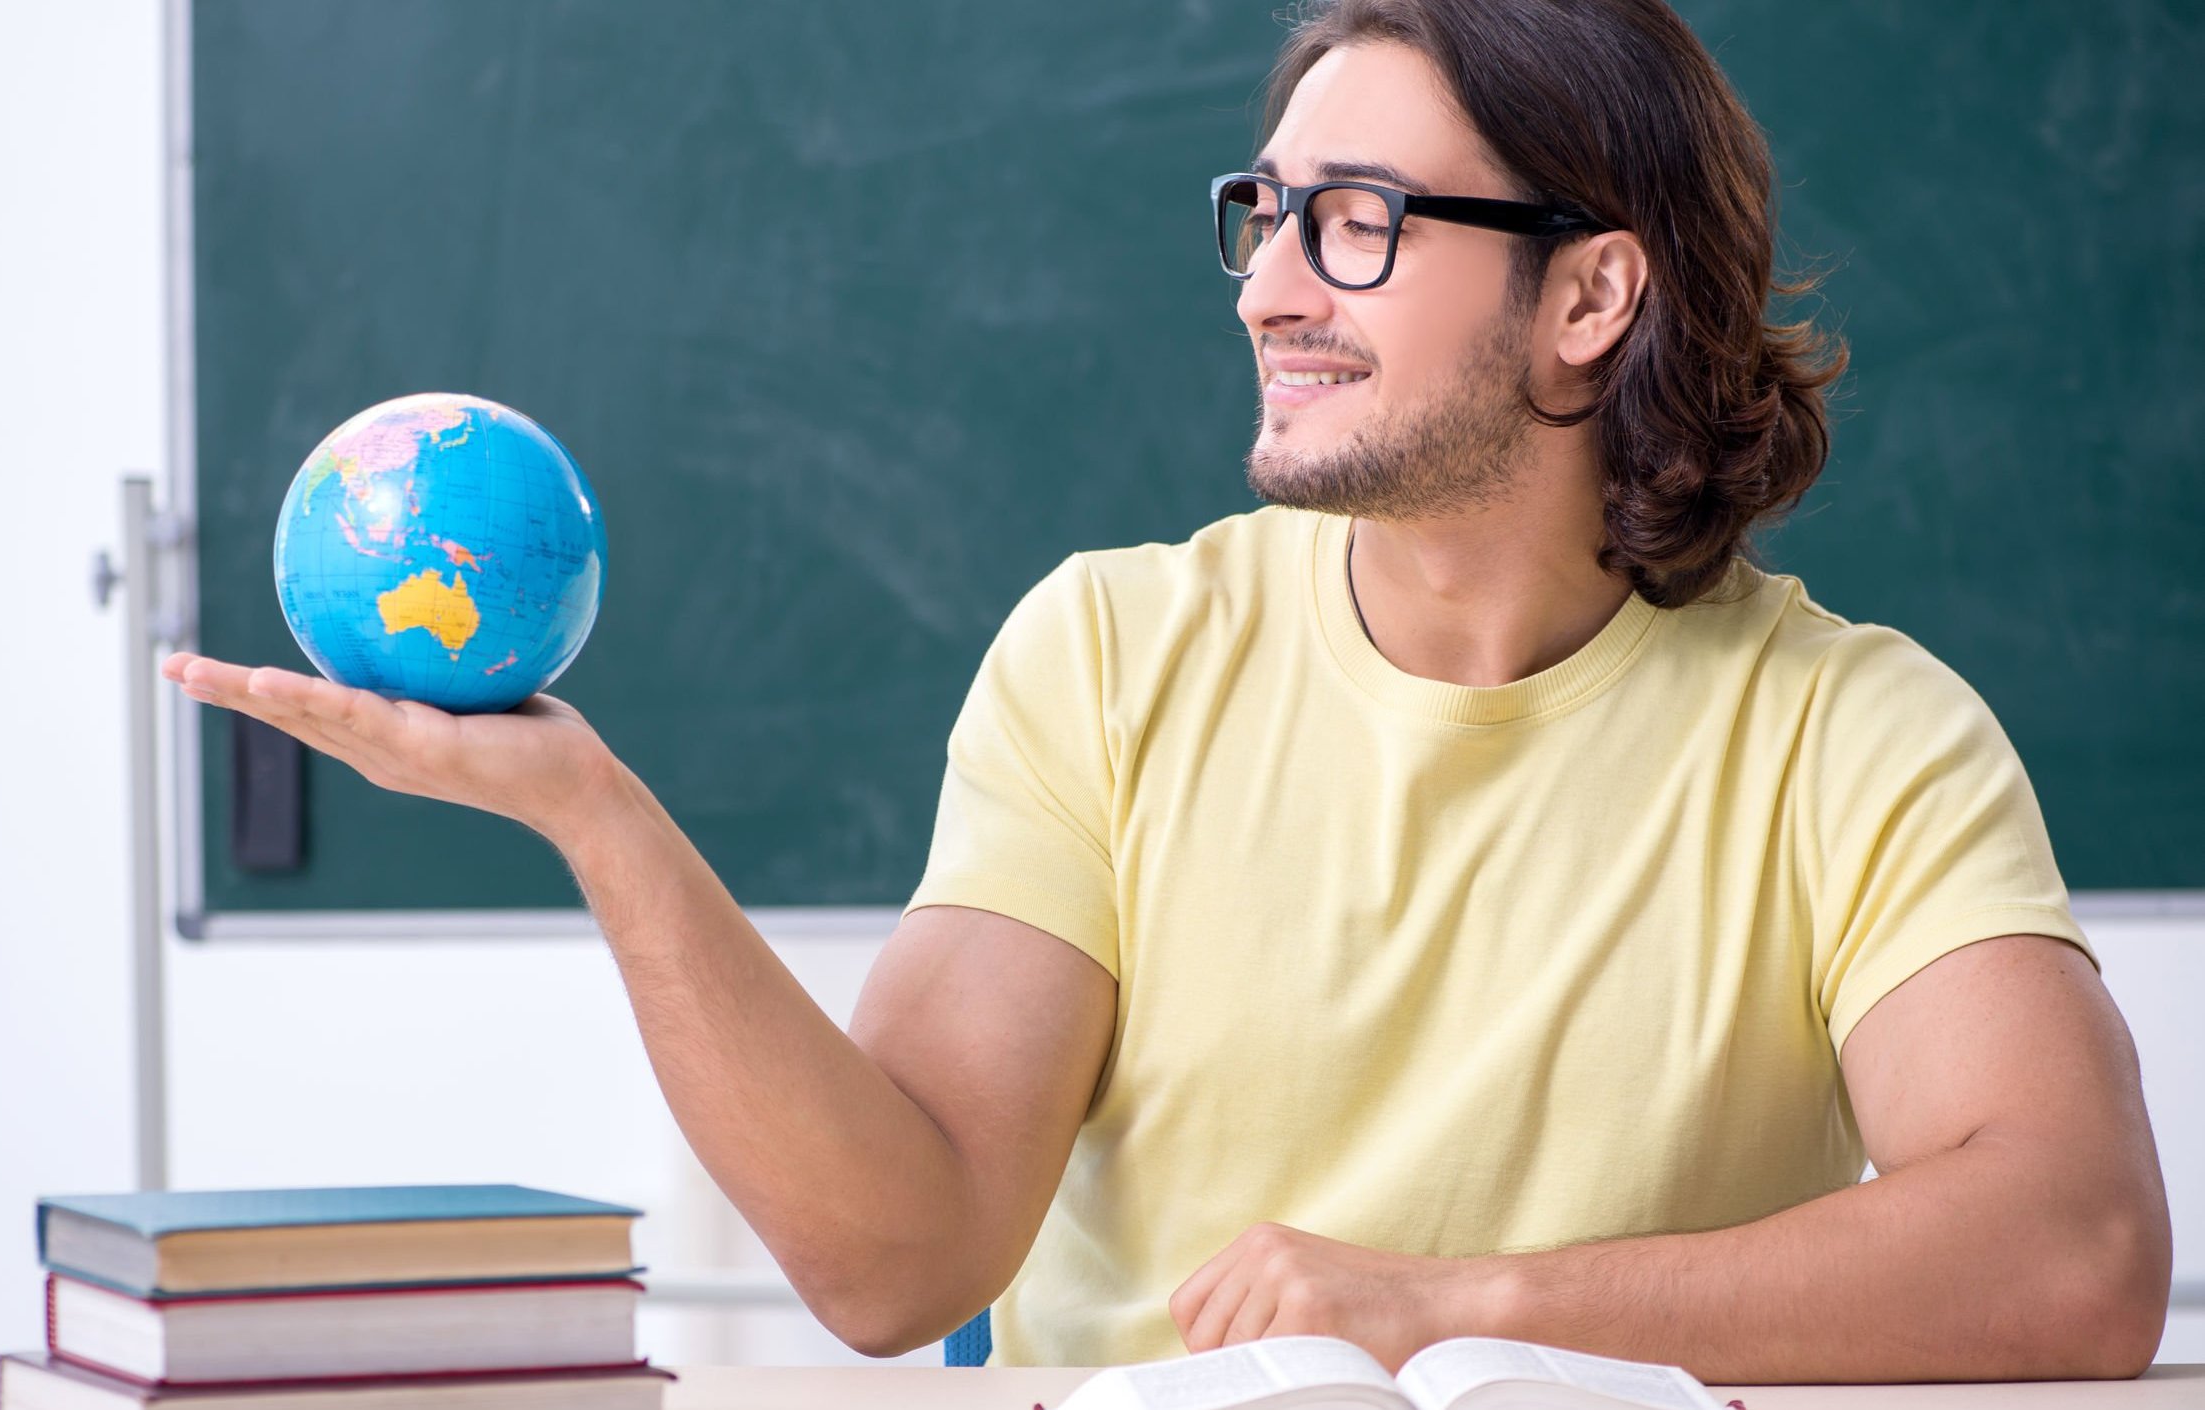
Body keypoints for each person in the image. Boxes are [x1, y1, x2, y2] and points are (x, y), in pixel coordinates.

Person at [163, 0, 2171, 1380]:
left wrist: (1451, 1308)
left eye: (1361, 224)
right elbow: (899, 1260)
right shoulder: (1111, 657)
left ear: (1587, 295)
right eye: (1267, 215)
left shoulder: (1856, 735)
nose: (1274, 287)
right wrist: (596, 814)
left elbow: (2075, 1253)